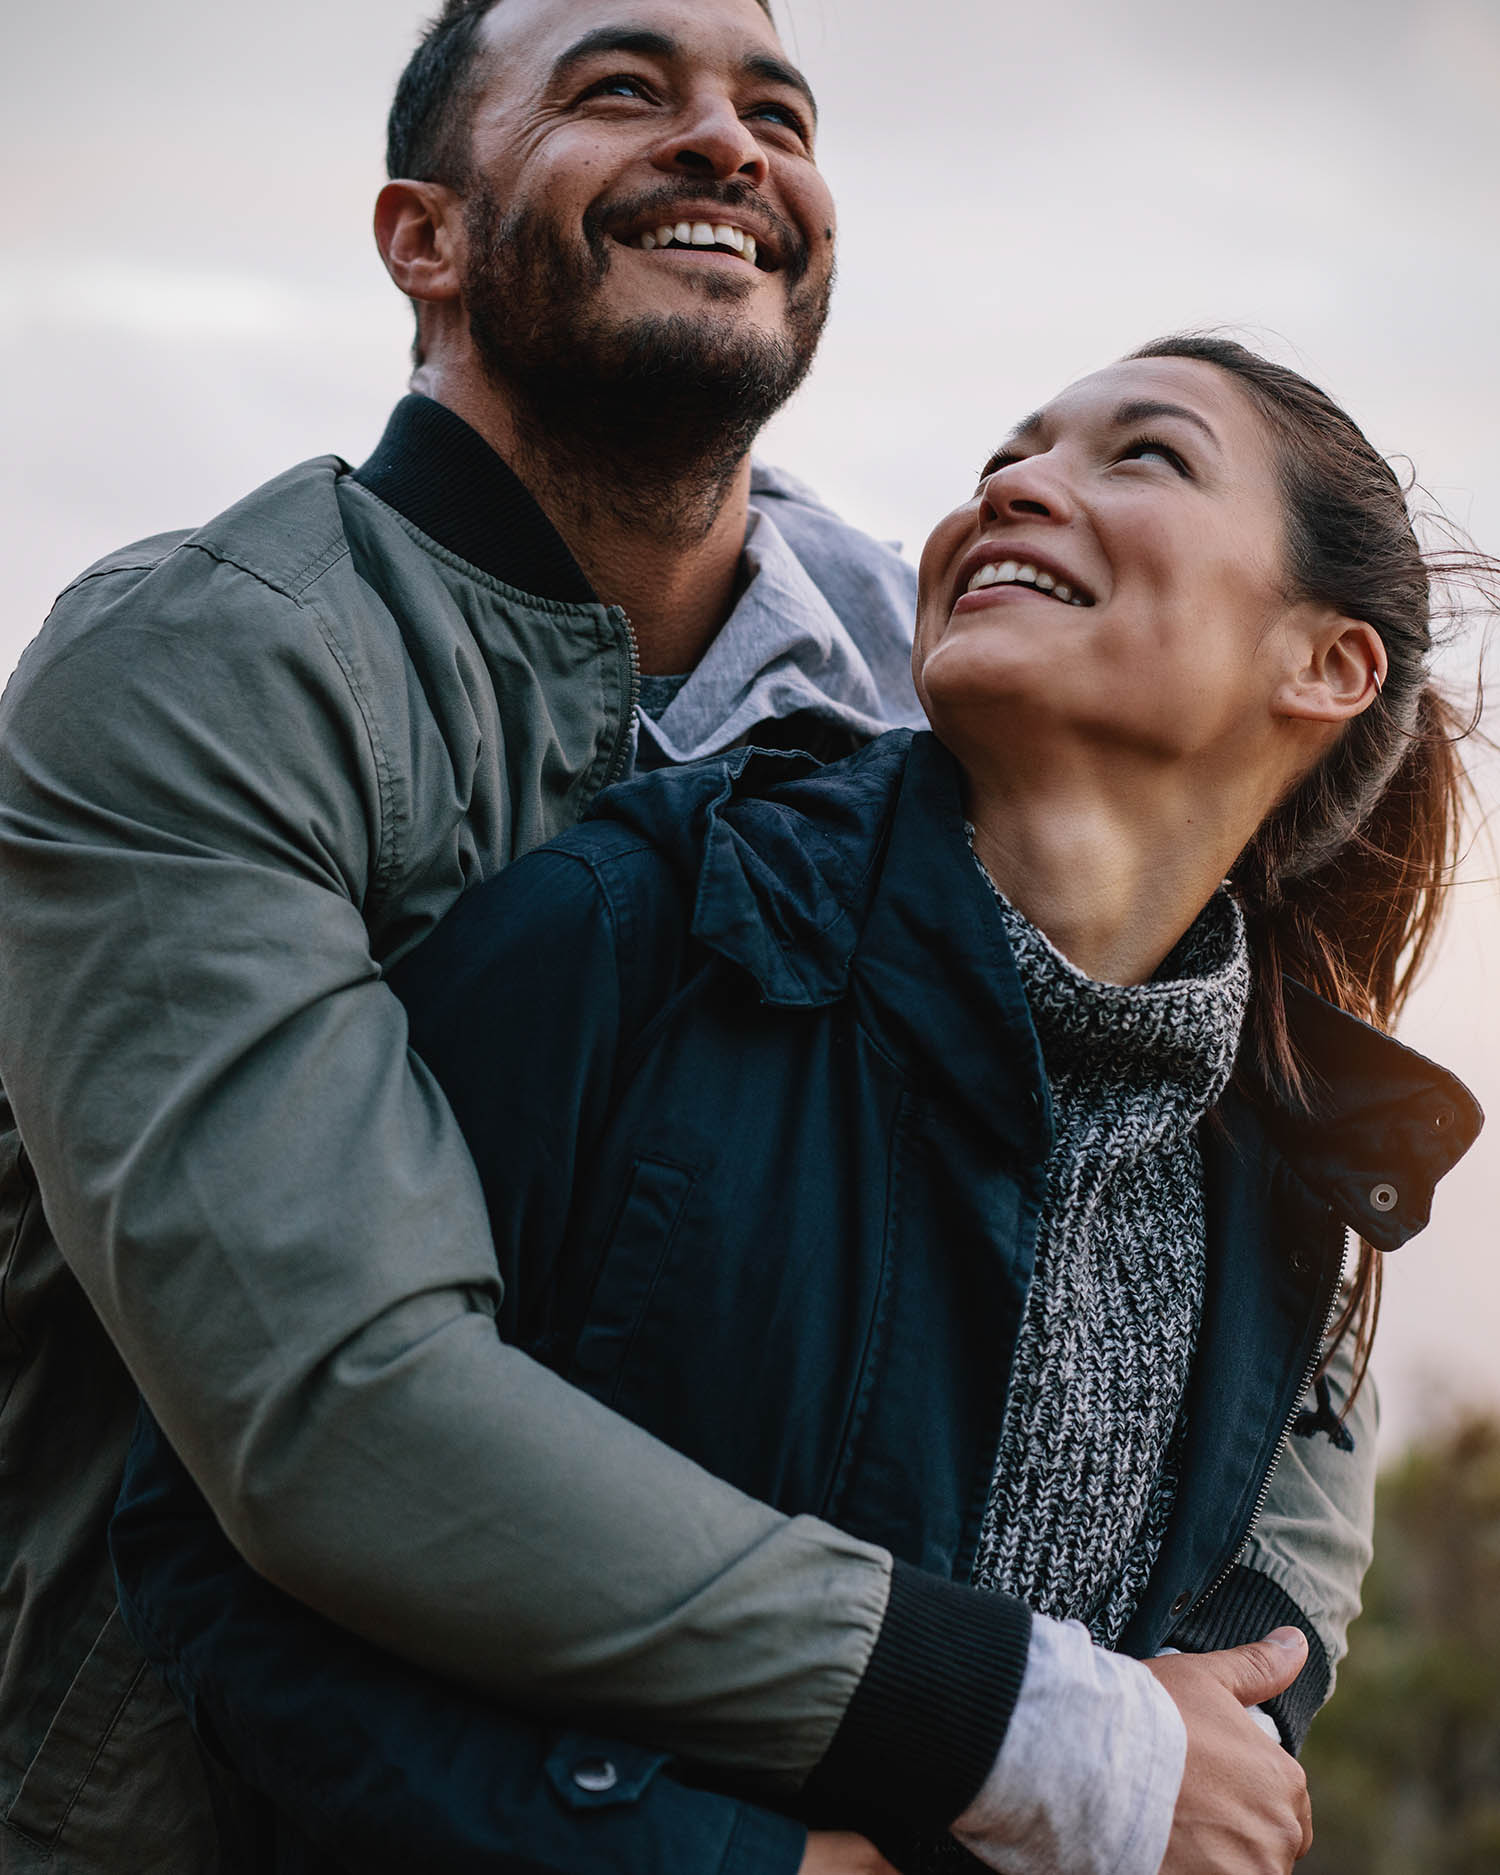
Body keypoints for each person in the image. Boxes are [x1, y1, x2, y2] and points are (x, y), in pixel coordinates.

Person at [110, 335, 1485, 1875]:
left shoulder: (1297, 1179)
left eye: (1142, 455)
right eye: (1005, 461)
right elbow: (212, 1560)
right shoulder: (639, 929)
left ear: (1328, 665)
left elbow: (1202, 1734)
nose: (1018, 485)